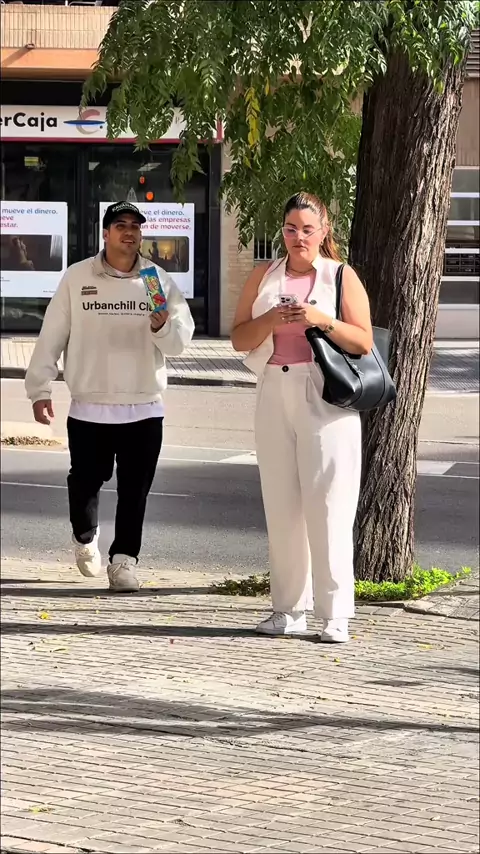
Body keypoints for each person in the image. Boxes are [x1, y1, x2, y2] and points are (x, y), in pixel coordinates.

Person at [25, 201, 194, 592]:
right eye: (121, 225)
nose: (129, 232)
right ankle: (84, 536)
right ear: (106, 233)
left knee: (135, 492)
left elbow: (178, 343)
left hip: (144, 407)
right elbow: (52, 335)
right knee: (84, 483)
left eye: (135, 225)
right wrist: (39, 388)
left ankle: (123, 562)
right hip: (90, 407)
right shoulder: (78, 277)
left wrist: (162, 327)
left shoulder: (154, 281)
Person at [231, 192, 373, 643]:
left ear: (323, 231)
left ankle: (335, 614)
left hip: (324, 394)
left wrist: (317, 317)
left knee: (329, 504)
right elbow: (239, 339)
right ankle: (289, 609)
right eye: (291, 228)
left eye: (308, 229)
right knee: (281, 505)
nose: (298, 237)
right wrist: (273, 319)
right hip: (274, 388)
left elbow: (363, 341)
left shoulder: (340, 275)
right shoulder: (264, 275)